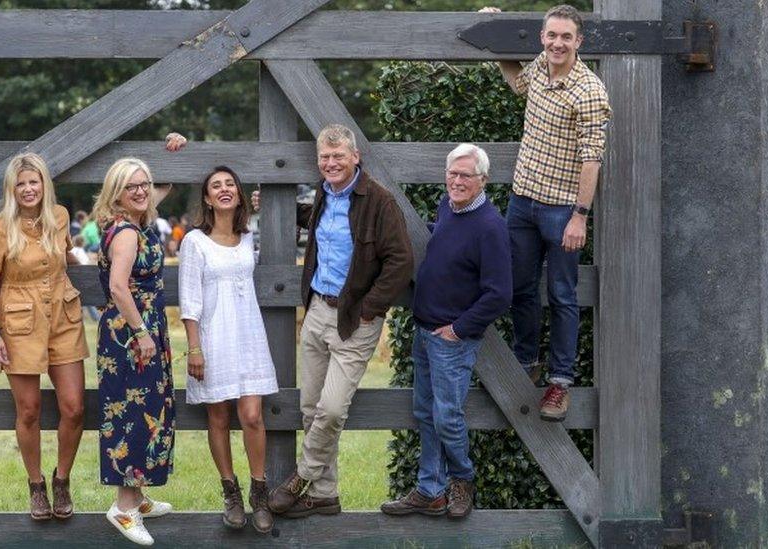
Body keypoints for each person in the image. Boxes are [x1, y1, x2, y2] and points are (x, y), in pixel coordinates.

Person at [254, 124, 413, 518]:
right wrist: (280, 209)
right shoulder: (324, 195)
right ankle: (325, 494)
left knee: (331, 409)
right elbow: (318, 221)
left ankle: (302, 478)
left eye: (338, 155)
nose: (331, 163)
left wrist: (369, 308)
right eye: (325, 157)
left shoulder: (379, 201)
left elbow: (401, 261)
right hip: (318, 312)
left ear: (355, 156)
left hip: (354, 318)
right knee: (310, 407)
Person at [482, 4, 611, 421]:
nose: (558, 43)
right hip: (522, 201)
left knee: (562, 294)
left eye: (566, 37)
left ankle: (559, 382)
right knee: (518, 285)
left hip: (561, 210)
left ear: (579, 42)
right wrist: (497, 27)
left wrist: (580, 215)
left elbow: (592, 158)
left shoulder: (590, 90)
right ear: (542, 38)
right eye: (552, 35)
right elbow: (519, 85)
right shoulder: (540, 67)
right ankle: (525, 360)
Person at [380, 144, 512, 519]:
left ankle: (462, 482)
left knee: (447, 416)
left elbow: (499, 294)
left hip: (451, 339)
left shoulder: (490, 227)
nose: (456, 181)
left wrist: (458, 329)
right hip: (425, 332)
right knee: (425, 412)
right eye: (452, 173)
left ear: (482, 180)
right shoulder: (447, 207)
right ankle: (430, 490)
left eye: (465, 175)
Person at [0, 153, 88, 520]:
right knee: (29, 410)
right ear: (12, 188)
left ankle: (62, 479)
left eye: (34, 181)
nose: (28, 189)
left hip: (63, 313)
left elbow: (67, 258)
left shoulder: (59, 218)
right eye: (21, 183)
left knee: (74, 407)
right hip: (19, 320)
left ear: (44, 185)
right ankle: (36, 484)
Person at [94, 133, 186, 546]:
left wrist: (170, 149)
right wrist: (142, 333)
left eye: (143, 184)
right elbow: (117, 287)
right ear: (116, 193)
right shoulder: (127, 232)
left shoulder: (135, 218)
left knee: (146, 408)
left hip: (139, 330)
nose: (140, 191)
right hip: (132, 334)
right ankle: (124, 508)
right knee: (132, 415)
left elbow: (162, 186)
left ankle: (138, 494)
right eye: (129, 186)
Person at [179, 166, 278, 533]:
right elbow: (189, 299)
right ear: (207, 198)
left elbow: (284, 238)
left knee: (252, 414)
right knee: (218, 417)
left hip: (248, 334)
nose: (224, 189)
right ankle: (230, 491)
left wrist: (267, 209)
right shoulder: (195, 242)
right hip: (211, 337)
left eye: (229, 184)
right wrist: (194, 348)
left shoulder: (248, 237)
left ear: (237, 193)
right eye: (215, 186)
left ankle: (259, 493)